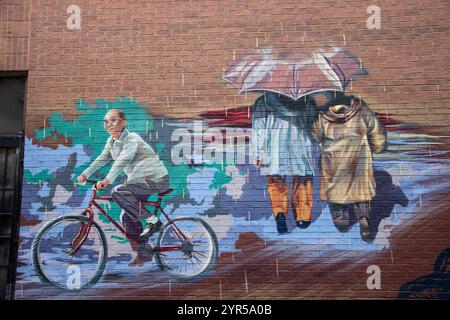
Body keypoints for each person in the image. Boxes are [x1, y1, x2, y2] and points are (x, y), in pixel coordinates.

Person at [77, 109, 169, 266]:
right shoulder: (111, 142)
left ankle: (154, 221)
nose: (108, 124)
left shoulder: (132, 139)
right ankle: (144, 253)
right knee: (127, 217)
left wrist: (107, 180)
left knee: (118, 191)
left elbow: (123, 160)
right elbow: (101, 159)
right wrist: (85, 174)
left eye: (113, 120)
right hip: (139, 181)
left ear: (123, 122)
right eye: (106, 121)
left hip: (155, 179)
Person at [311, 91, 387, 241]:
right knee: (360, 189)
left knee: (334, 191)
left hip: (333, 160)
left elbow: (315, 135)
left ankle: (341, 221)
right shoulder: (361, 108)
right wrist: (378, 146)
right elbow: (375, 129)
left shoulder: (323, 115)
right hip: (358, 156)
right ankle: (363, 218)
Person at [252, 92, 317, 234]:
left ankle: (280, 213)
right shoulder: (308, 101)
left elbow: (259, 130)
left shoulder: (264, 102)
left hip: (274, 147)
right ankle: (303, 217)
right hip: (300, 145)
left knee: (276, 181)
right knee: (303, 181)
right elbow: (313, 126)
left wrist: (257, 153)